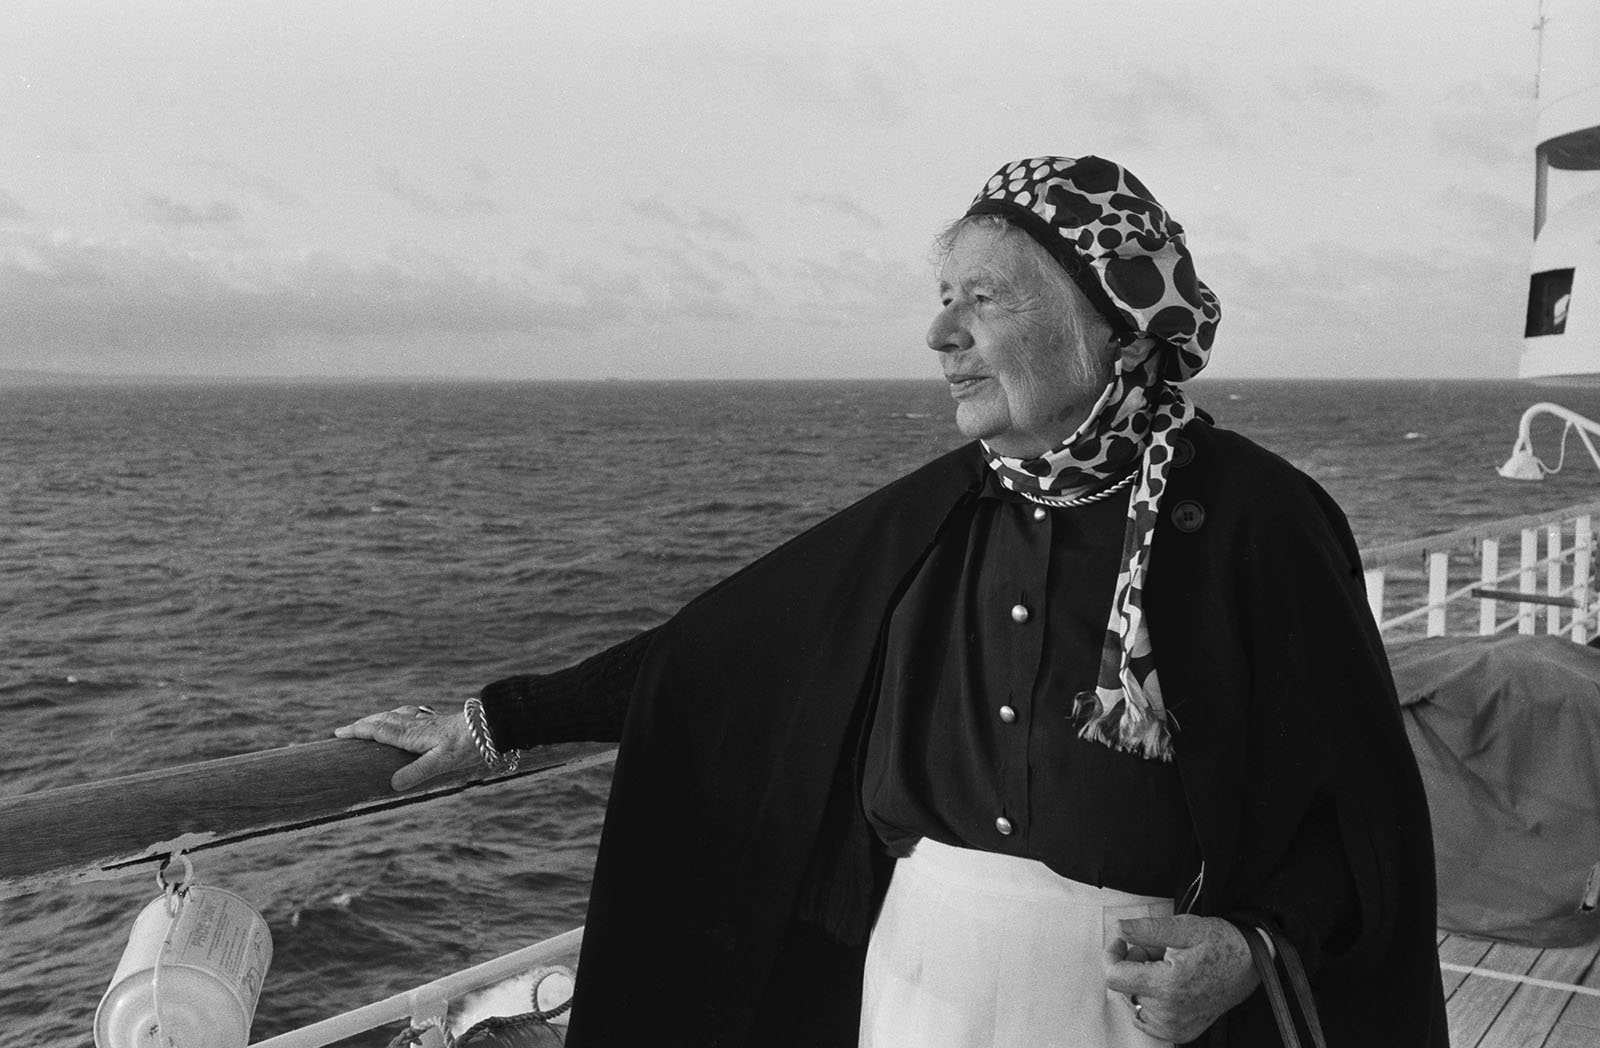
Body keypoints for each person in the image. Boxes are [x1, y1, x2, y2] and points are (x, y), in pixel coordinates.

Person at [337, 155, 1448, 1047]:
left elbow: (1359, 820)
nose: (940, 335)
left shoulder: (1259, 519)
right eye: (941, 300)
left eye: (985, 300)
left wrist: (1250, 947)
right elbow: (715, 658)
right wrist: (496, 721)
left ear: (1110, 323)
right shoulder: (931, 517)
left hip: (1142, 1008)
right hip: (915, 986)